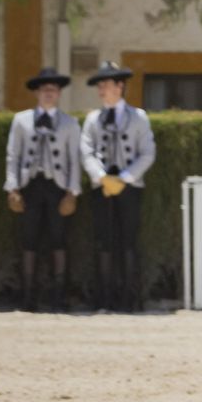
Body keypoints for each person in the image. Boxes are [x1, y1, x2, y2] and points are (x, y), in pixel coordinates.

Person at [3, 67, 83, 311]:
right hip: (30, 185)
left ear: (59, 94)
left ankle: (58, 297)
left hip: (57, 186)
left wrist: (72, 192)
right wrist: (12, 188)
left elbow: (74, 159)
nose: (49, 93)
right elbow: (12, 155)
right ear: (37, 93)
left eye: (53, 90)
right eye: (45, 89)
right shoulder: (21, 120)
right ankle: (28, 297)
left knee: (59, 239)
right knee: (29, 240)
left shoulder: (70, 122)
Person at [81, 61, 156, 311]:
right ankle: (105, 298)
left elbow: (147, 153)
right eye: (100, 85)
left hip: (129, 185)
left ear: (120, 86)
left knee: (129, 241)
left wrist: (124, 178)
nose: (102, 90)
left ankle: (130, 298)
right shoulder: (93, 119)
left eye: (106, 84)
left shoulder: (138, 117)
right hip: (102, 185)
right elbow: (87, 151)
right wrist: (101, 176)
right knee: (104, 240)